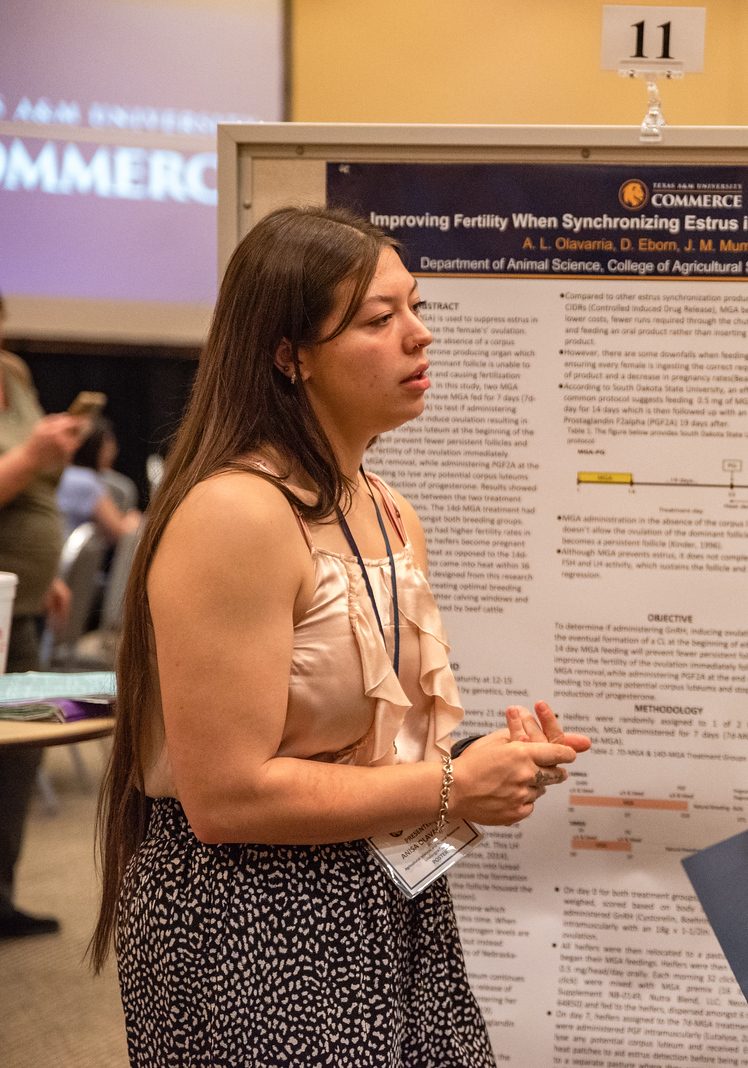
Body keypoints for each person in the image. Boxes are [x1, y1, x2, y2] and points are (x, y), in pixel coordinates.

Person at [91, 206, 589, 1066]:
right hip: (253, 923)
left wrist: (484, 766)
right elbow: (226, 799)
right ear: (291, 356)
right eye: (378, 319)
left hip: (388, 900)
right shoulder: (236, 513)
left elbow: (357, 754)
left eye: (416, 307)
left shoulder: (390, 510)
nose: (420, 337)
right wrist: (450, 788)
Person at [0, 288, 84, 939]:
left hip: (21, 601)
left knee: (21, 751)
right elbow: (21, 471)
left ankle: (0, 896)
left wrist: (48, 572)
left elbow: (32, 495)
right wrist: (31, 456)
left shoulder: (14, 374)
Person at [57, 415, 142, 540]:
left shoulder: (60, 473)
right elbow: (120, 531)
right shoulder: (86, 482)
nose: (114, 453)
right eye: (109, 447)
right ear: (95, 448)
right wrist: (137, 520)